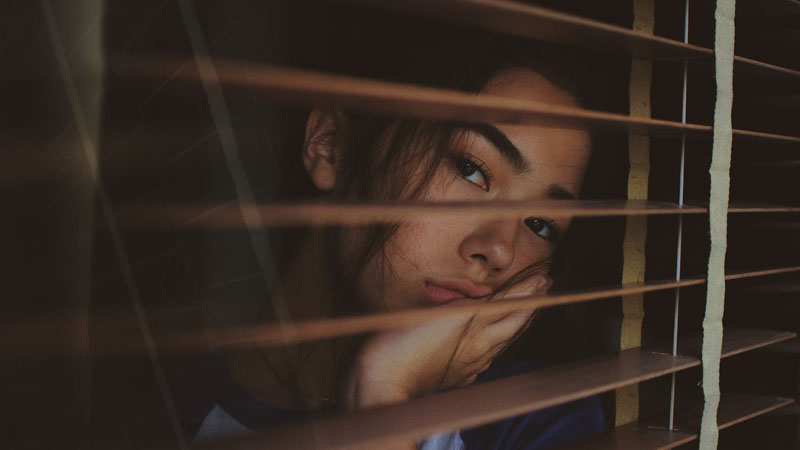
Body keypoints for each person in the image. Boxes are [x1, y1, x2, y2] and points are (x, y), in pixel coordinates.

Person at [190, 36, 605, 449]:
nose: (501, 251)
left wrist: (384, 390)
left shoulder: (538, 423)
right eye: (471, 169)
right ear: (331, 147)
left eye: (541, 223)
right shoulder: (160, 398)